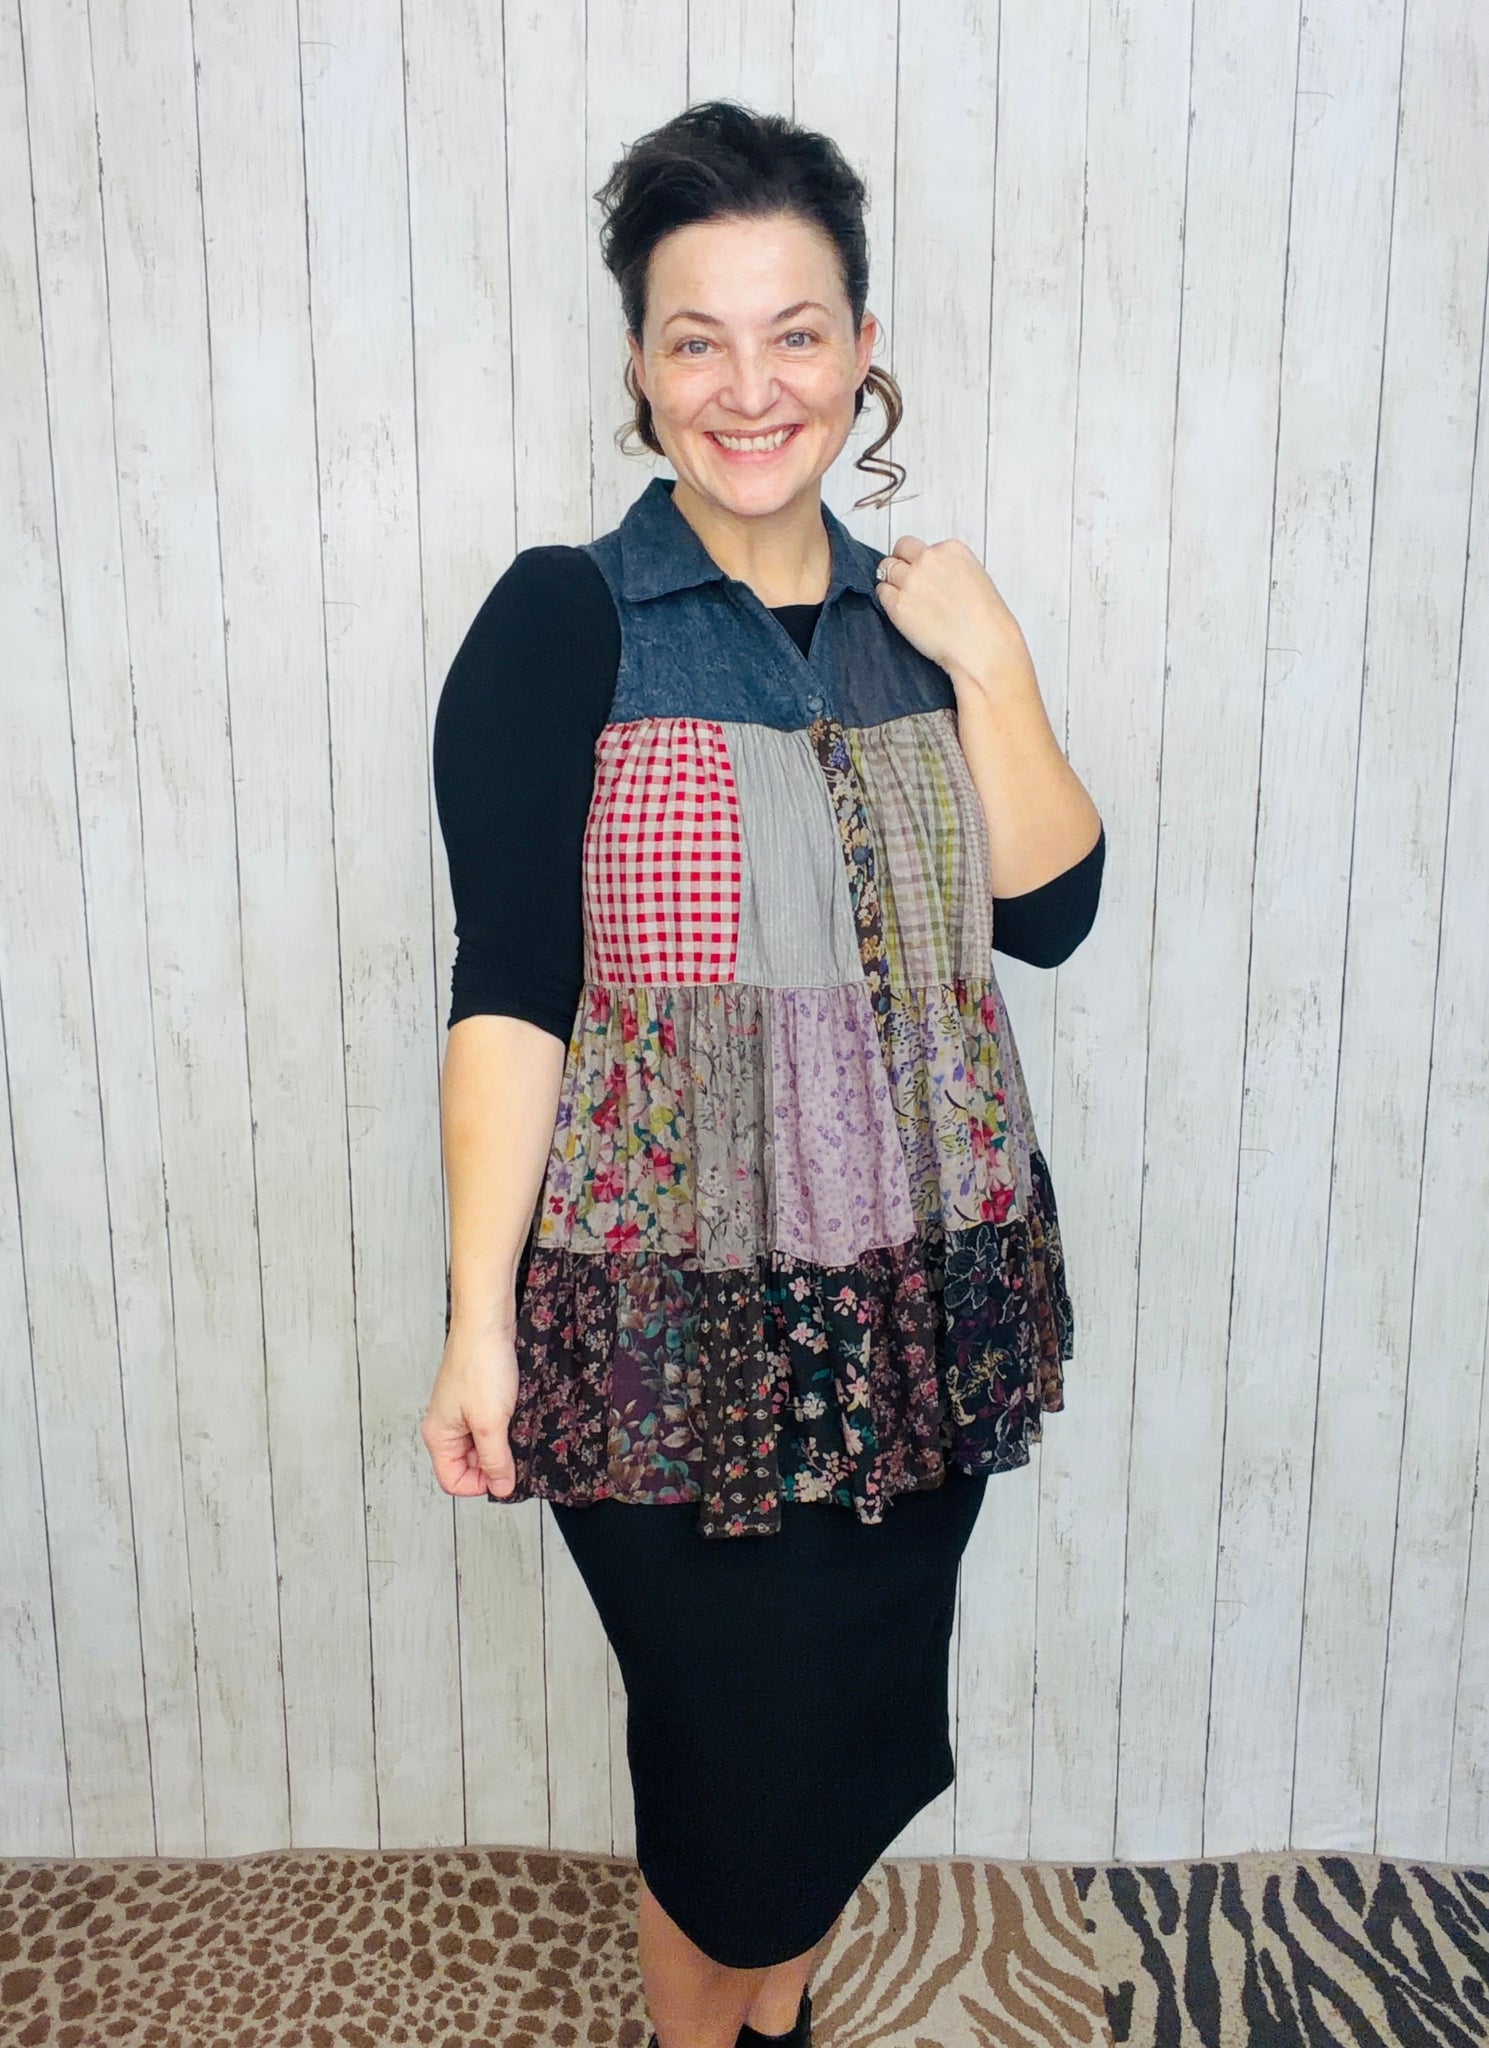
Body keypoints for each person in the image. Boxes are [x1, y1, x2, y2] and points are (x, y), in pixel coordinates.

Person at [422, 100, 1104, 2048]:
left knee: (836, 1771)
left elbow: (1051, 910)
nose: (750, 386)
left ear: (860, 346)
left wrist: (997, 668)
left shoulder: (920, 626)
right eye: (697, 339)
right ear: (641, 367)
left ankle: (773, 2023)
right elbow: (511, 986)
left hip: (915, 1307)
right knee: (731, 1787)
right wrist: (478, 1325)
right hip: (657, 1328)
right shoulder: (564, 621)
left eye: (795, 333)